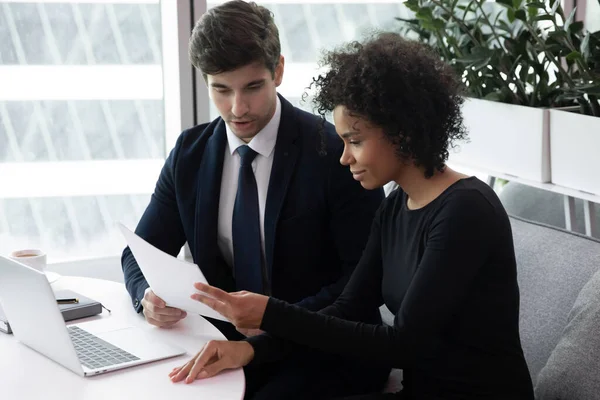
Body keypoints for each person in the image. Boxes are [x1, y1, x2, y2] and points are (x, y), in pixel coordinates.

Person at [169, 32, 536, 400]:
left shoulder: (466, 211)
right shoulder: (395, 205)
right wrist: (251, 350)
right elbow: (348, 308)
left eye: (355, 141)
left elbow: (402, 343)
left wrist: (270, 314)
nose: (345, 158)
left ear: (402, 133)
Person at [121, 1, 389, 399]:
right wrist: (147, 295)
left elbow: (362, 284)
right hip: (225, 345)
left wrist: (271, 324)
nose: (238, 108)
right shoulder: (190, 154)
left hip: (325, 349)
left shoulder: (334, 152)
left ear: (278, 71)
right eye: (221, 90)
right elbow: (138, 252)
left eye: (252, 87)